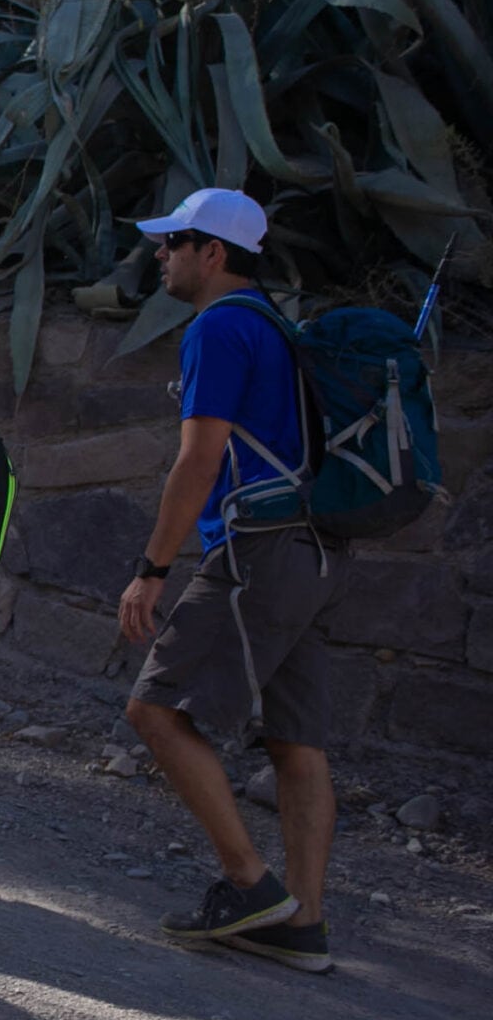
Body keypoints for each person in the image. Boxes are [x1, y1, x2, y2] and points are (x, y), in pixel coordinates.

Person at [118, 187, 349, 973]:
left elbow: (199, 458)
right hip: (313, 552)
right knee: (297, 738)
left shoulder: (218, 328)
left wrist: (153, 569)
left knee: (154, 708)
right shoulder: (278, 328)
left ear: (211, 253)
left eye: (173, 241)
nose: (161, 254)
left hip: (257, 550)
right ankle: (303, 924)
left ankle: (252, 885)